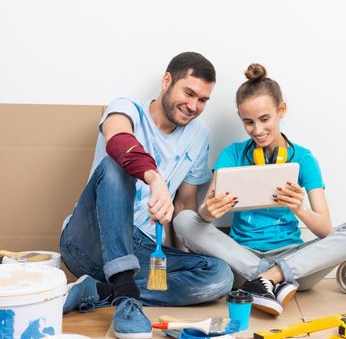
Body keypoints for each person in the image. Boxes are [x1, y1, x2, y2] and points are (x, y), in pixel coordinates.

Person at [174, 63, 346, 317]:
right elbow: (202, 214)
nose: (257, 130)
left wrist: (299, 208)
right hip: (241, 259)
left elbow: (324, 229)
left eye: (265, 119)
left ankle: (269, 278)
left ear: (282, 111)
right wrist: (208, 212)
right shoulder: (232, 154)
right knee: (183, 219)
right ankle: (267, 281)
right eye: (248, 122)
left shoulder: (303, 158)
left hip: (294, 262)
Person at [59, 52, 233, 339]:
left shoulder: (199, 134)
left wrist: (181, 256)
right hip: (88, 241)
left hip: (139, 247)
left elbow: (185, 204)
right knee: (117, 166)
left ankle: (101, 290)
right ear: (167, 81)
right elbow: (118, 141)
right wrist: (154, 178)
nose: (193, 106)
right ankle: (127, 298)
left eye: (202, 100)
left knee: (219, 276)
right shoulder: (126, 108)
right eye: (188, 93)